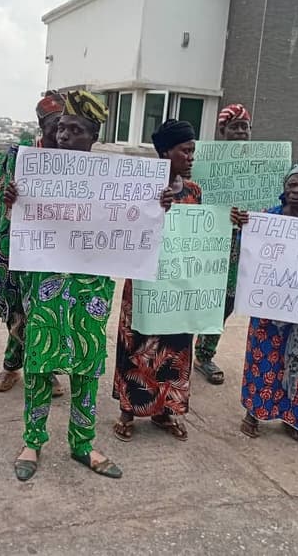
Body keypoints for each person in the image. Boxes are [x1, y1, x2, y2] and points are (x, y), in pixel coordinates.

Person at [6, 91, 174, 481]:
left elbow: (136, 220)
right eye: (61, 128)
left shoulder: (114, 178)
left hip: (91, 284)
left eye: (75, 130)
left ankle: (83, 443)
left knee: (86, 360)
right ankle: (32, 440)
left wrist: (158, 204)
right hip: (46, 280)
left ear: (93, 136)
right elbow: (16, 227)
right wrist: (14, 201)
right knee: (39, 360)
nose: (64, 136)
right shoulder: (36, 172)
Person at [112, 119, 201, 442]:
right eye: (185, 151)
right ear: (165, 153)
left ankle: (165, 411)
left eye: (192, 151)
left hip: (178, 285)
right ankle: (128, 411)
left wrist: (231, 220)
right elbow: (124, 226)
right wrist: (153, 209)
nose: (191, 157)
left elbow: (201, 233)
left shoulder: (193, 191)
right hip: (145, 281)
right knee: (138, 345)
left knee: (175, 348)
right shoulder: (142, 188)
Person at [239, 163, 298, 442]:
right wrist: (240, 225)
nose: (296, 190)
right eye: (292, 184)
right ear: (284, 187)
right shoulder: (267, 219)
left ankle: (296, 419)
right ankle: (254, 413)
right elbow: (247, 251)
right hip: (270, 307)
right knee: (264, 360)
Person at [0, 91, 66, 397]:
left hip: (59, 248)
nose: (62, 134)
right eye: (56, 126)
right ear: (42, 125)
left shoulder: (76, 162)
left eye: (67, 127)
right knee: (18, 309)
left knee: (47, 310)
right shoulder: (18, 158)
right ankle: (14, 366)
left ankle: (42, 368)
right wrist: (5, 202)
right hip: (19, 246)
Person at [193, 103, 252, 385]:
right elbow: (195, 199)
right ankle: (183, 348)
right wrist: (222, 213)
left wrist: (250, 216)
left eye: (245, 127)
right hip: (207, 242)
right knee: (194, 297)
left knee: (226, 302)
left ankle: (205, 353)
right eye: (235, 127)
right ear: (222, 131)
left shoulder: (259, 165)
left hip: (239, 246)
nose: (241, 132)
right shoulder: (205, 164)